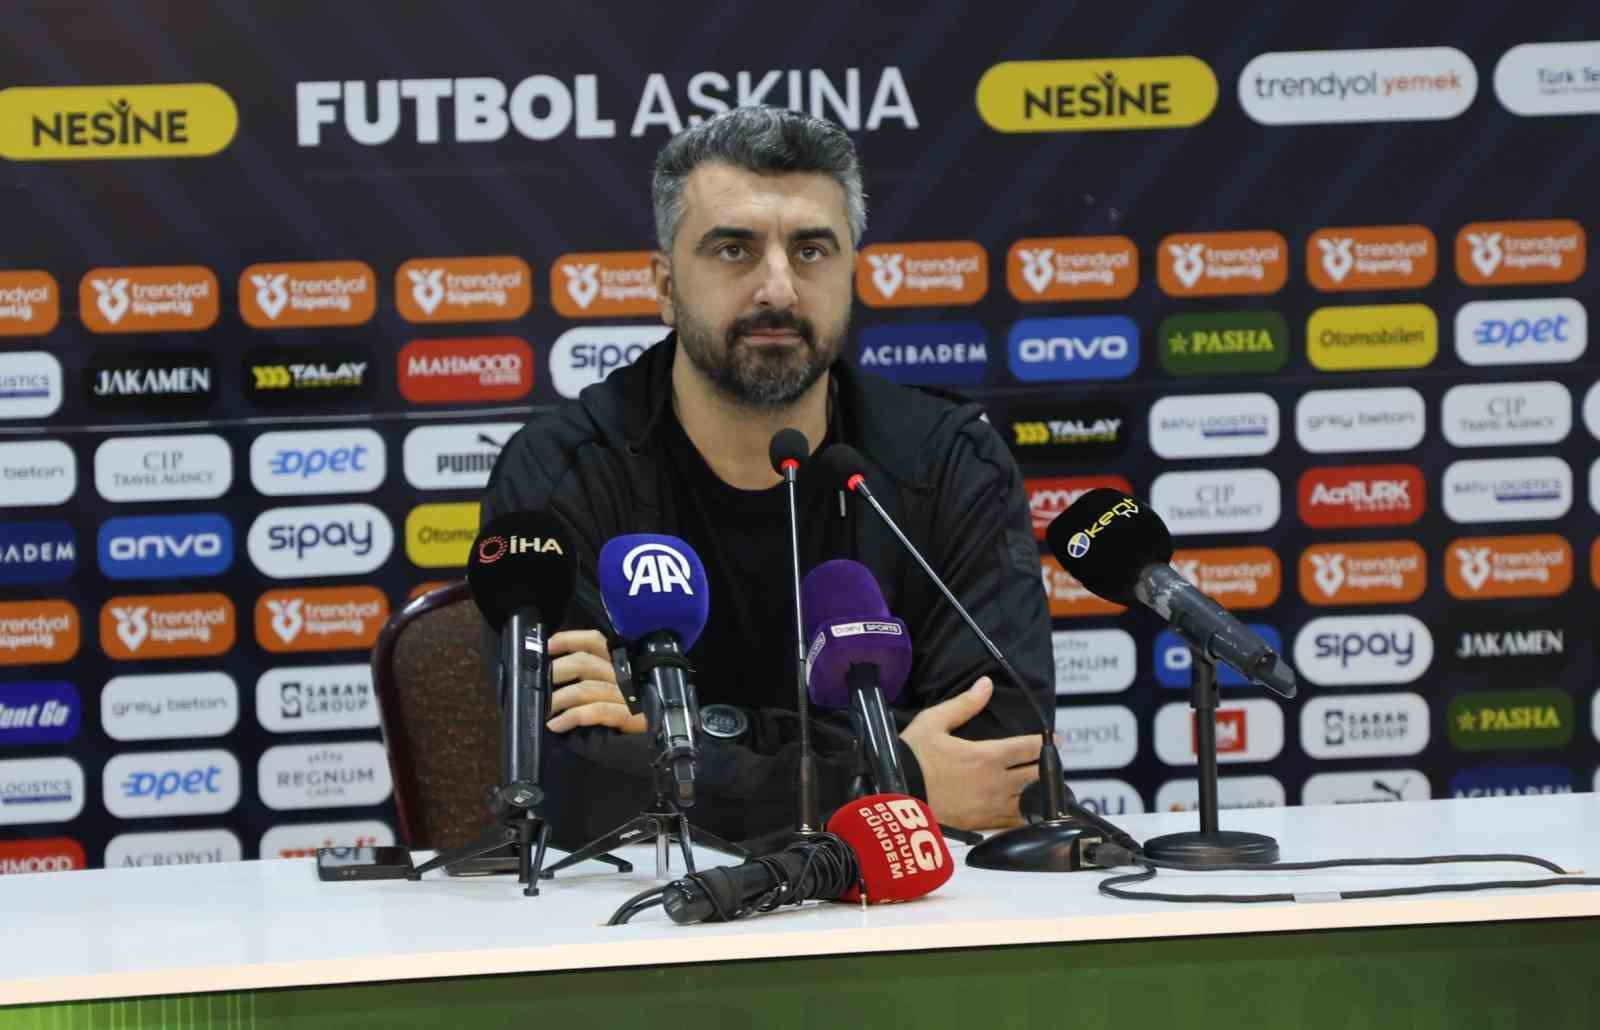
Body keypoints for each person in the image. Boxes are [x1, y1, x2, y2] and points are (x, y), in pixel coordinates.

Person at [481, 106, 1053, 848]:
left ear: (851, 275)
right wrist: (892, 774)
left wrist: (686, 733)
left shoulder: (947, 461)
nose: (778, 289)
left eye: (811, 251)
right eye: (734, 250)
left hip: (901, 899)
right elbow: (580, 776)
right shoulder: (563, 471)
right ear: (665, 285)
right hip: (645, 902)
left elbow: (999, 750)